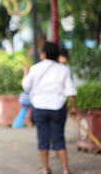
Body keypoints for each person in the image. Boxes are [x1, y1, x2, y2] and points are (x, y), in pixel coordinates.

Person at [22, 42, 77, 174]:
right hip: (58, 107)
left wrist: (25, 72)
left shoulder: (35, 68)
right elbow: (70, 91)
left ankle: (45, 169)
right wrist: (74, 107)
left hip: (39, 107)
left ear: (44, 54)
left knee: (43, 138)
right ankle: (65, 169)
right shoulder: (64, 69)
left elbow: (25, 86)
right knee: (59, 138)